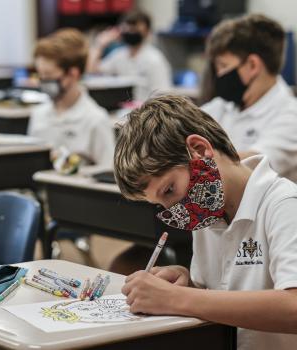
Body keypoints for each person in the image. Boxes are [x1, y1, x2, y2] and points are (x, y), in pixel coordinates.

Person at [114, 94, 297, 350]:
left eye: (169, 190)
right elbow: (215, 298)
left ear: (200, 150)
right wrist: (186, 282)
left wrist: (177, 298)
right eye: (160, 205)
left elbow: (293, 307)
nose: (174, 211)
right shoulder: (208, 214)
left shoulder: (284, 203)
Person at [200, 14, 297, 183]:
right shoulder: (223, 106)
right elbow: (180, 127)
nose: (219, 75)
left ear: (252, 65)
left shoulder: (291, 116)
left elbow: (253, 164)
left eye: (223, 65)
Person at [28, 28, 115, 167]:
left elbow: (108, 172)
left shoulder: (96, 120)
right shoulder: (38, 114)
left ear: (73, 74)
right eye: (40, 75)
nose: (43, 81)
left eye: (49, 75)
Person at [87, 10, 172, 101]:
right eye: (128, 27)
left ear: (147, 31)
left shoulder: (154, 59)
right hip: (123, 110)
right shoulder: (119, 55)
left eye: (135, 28)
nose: (130, 31)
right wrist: (100, 44)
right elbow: (91, 70)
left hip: (147, 111)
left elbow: (163, 97)